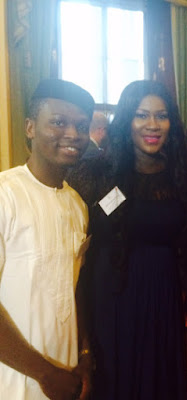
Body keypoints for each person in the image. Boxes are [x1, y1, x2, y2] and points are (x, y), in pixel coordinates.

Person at [68, 80, 187, 400]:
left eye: (161, 116)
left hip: (163, 297)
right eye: (142, 115)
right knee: (114, 379)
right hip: (112, 295)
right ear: (127, 120)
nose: (152, 124)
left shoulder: (179, 173)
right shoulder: (95, 172)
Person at [0, 78, 94, 399]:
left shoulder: (77, 205)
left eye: (82, 126)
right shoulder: (5, 194)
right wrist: (43, 373)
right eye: (58, 122)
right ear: (29, 127)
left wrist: (83, 356)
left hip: (64, 382)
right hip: (13, 382)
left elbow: (74, 286)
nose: (72, 134)